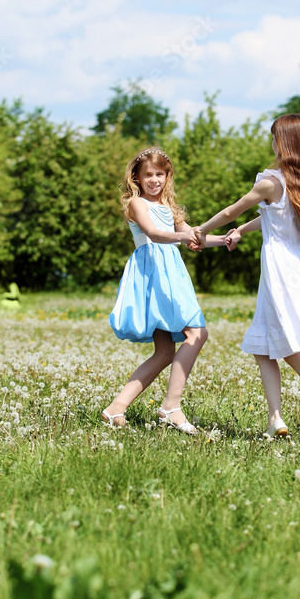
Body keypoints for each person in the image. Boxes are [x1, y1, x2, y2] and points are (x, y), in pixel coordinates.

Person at [194, 114, 300, 443]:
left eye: (274, 137)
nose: (271, 143)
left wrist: (201, 231)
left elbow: (232, 210)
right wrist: (242, 231)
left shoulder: (271, 181)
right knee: (265, 344)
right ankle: (275, 419)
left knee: (289, 347)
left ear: (283, 143)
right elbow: (272, 217)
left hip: (280, 270)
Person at [102, 147, 227, 435]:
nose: (154, 180)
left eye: (160, 174)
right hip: (152, 274)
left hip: (171, 274)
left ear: (167, 176)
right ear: (137, 177)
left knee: (164, 352)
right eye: (148, 175)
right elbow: (155, 234)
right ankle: (171, 406)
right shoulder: (137, 204)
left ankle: (115, 408)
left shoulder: (170, 208)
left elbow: (194, 236)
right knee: (197, 333)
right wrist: (183, 235)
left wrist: (226, 239)